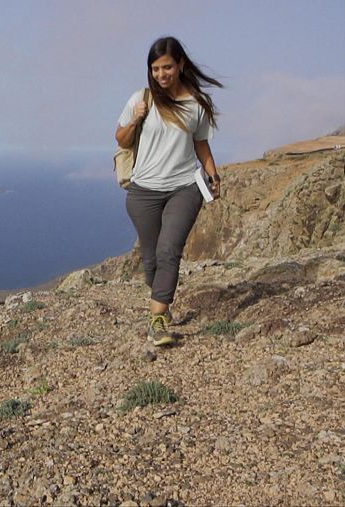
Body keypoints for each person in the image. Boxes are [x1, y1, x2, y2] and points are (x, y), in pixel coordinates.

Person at [115, 36, 223, 346]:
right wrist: (135, 119)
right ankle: (160, 298)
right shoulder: (142, 99)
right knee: (151, 260)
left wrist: (213, 174)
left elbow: (201, 144)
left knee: (168, 251)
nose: (161, 74)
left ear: (180, 65)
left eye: (167, 67)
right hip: (143, 191)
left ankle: (157, 320)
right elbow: (121, 139)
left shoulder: (197, 104)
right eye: (155, 69)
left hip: (184, 188)